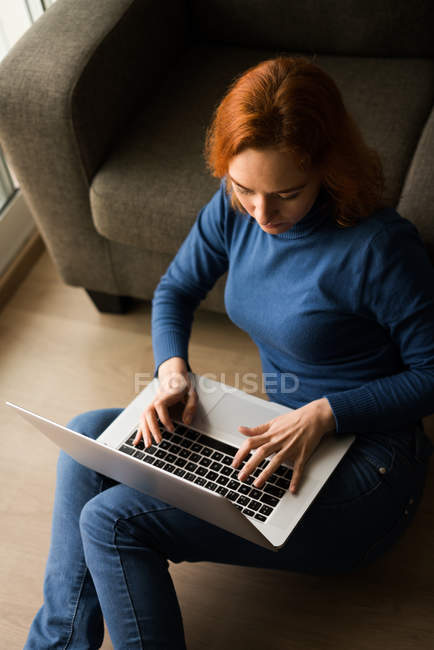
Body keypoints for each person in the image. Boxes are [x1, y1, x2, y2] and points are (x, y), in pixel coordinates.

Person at [25, 55, 434, 650]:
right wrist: (171, 372)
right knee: (88, 437)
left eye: (287, 194)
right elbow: (176, 290)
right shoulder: (235, 206)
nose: (263, 215)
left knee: (112, 522)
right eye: (246, 190)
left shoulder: (379, 247)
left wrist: (325, 413)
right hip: (281, 433)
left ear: (328, 167)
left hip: (371, 468)